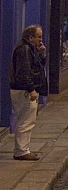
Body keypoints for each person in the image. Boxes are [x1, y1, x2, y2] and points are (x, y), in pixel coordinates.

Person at [9, 25, 48, 160]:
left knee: (27, 119)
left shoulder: (29, 49)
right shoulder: (24, 49)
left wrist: (41, 53)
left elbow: (37, 66)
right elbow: (24, 71)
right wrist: (31, 89)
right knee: (25, 120)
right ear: (30, 37)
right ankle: (21, 151)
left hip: (24, 88)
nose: (40, 40)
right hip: (24, 90)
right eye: (38, 37)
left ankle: (23, 149)